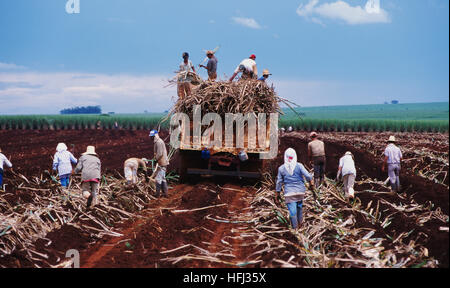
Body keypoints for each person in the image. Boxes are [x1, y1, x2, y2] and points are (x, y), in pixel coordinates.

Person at [276, 148, 314, 229]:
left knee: (293, 212)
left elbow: (279, 182)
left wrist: (277, 194)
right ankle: (301, 225)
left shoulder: (281, 168)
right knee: (299, 207)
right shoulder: (299, 166)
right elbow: (308, 176)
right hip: (300, 192)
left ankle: (295, 229)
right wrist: (311, 185)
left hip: (289, 193)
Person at [149, 130, 170, 198]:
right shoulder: (157, 142)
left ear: (155, 136)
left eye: (152, 136)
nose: (151, 138)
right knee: (163, 178)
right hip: (162, 162)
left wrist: (155, 160)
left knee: (158, 178)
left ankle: (157, 194)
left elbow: (160, 153)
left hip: (162, 162)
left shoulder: (159, 142)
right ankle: (165, 194)